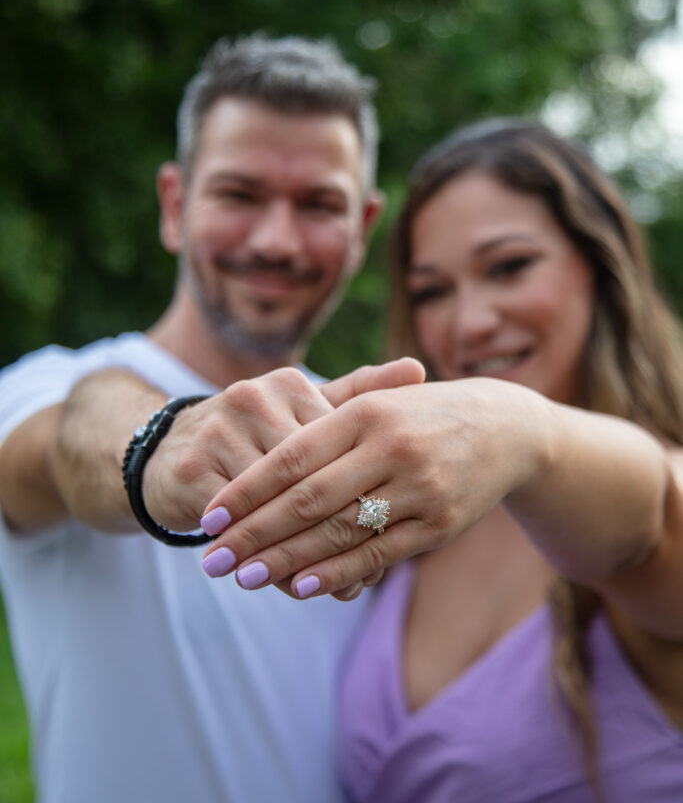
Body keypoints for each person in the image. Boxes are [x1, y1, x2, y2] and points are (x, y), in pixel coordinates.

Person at [200, 120, 683, 801]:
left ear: (599, 270)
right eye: (432, 291)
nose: (470, 322)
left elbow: (650, 519)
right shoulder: (419, 515)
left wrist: (520, 428)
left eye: (508, 267)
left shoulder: (650, 496)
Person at [0, 34, 424, 803]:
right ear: (174, 204)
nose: (275, 240)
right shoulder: (44, 386)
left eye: (318, 204)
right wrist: (161, 447)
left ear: (363, 225)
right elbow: (65, 445)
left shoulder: (379, 436)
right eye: (239, 194)